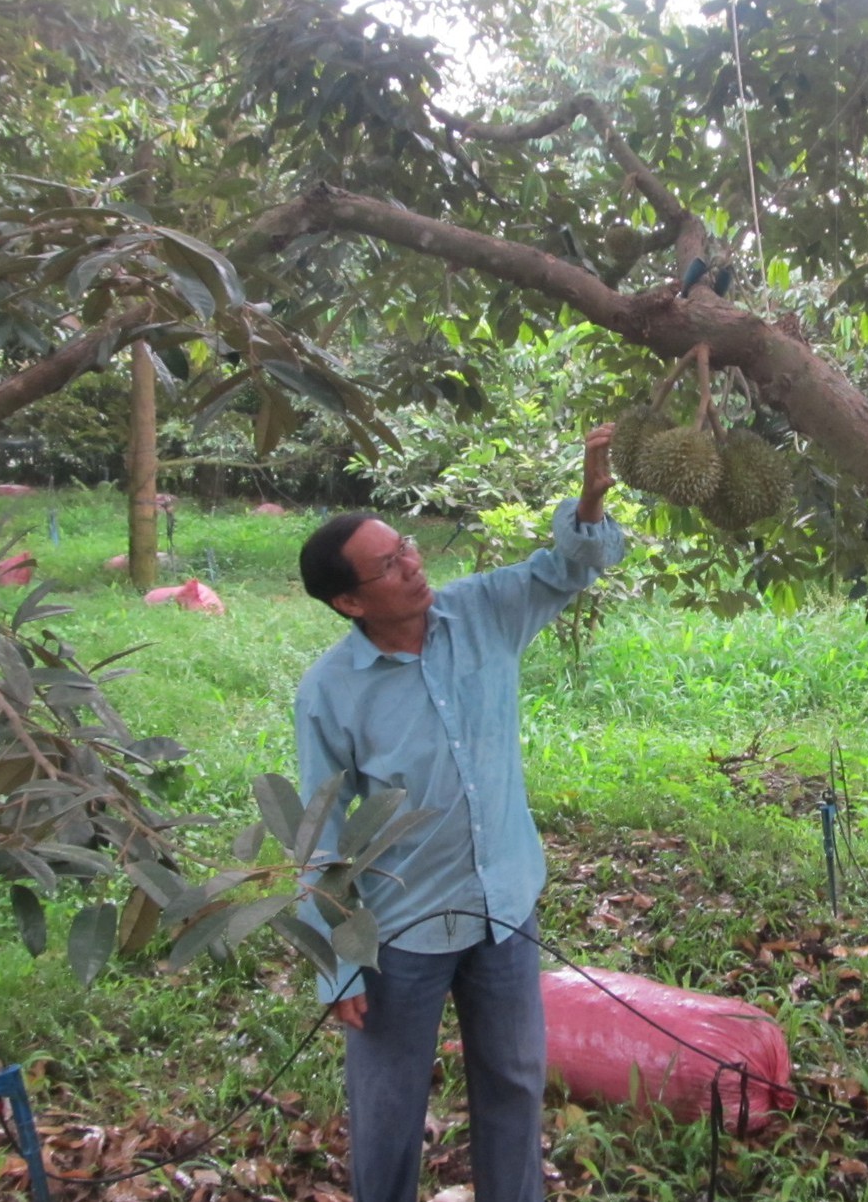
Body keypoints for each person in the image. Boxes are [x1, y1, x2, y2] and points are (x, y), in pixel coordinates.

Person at [293, 425, 624, 1202]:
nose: (413, 564)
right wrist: (335, 959)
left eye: (406, 547)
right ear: (349, 600)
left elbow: (575, 567)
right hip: (400, 931)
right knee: (388, 1104)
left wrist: (590, 496)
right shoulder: (331, 692)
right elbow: (320, 826)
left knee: (513, 1083)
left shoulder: (484, 612)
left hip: (503, 906)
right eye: (389, 565)